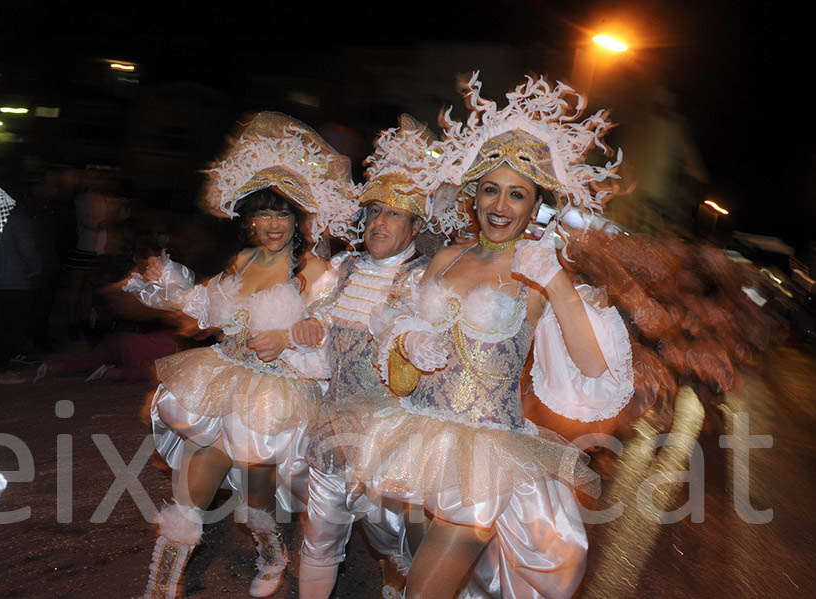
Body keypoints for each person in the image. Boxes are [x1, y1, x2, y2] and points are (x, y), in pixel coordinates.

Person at [331, 74, 636, 599]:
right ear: (473, 195)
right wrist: (407, 342)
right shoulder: (448, 257)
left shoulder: (539, 271)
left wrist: (557, 283)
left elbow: (593, 368)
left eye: (517, 194)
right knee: (426, 571)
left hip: (486, 457)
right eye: (491, 189)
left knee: (423, 590)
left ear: (535, 203)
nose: (500, 205)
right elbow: (396, 322)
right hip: (417, 438)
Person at [124, 112, 357, 598]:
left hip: (274, 398)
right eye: (262, 213)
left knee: (256, 493)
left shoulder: (319, 272)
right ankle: (160, 588)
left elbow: (332, 339)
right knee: (191, 491)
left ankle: (271, 549)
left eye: (282, 213)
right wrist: (165, 283)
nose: (271, 224)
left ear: (300, 217)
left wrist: (292, 338)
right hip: (221, 380)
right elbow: (208, 309)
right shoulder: (241, 261)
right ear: (249, 217)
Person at [282, 115, 464, 599]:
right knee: (318, 540)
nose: (378, 223)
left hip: (390, 445)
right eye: (374, 211)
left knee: (396, 543)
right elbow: (314, 320)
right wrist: (306, 327)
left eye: (394, 214)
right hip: (329, 427)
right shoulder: (342, 269)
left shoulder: (427, 282)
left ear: (416, 224)